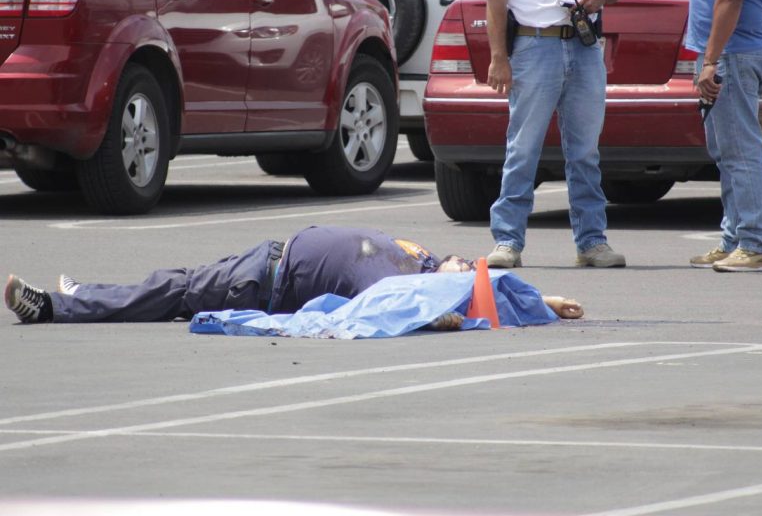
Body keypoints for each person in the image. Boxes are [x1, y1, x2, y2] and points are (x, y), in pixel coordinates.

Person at [482, 0, 627, 270]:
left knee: (585, 151)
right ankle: (508, 241)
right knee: (523, 147)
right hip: (535, 44)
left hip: (583, 46)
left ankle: (592, 242)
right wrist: (499, 58)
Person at [4, 225, 584, 325]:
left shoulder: (406, 286)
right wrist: (545, 297)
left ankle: (58, 306)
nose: (467, 264)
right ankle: (80, 294)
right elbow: (495, 292)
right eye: (469, 265)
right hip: (266, 258)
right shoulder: (423, 259)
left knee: (170, 291)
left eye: (467, 272)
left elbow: (389, 311)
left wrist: (444, 317)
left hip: (262, 279)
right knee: (170, 283)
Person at [687, 0, 762, 272]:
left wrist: (710, 59)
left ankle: (755, 242)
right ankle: (735, 236)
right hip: (740, 49)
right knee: (727, 149)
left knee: (740, 148)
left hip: (733, 52)